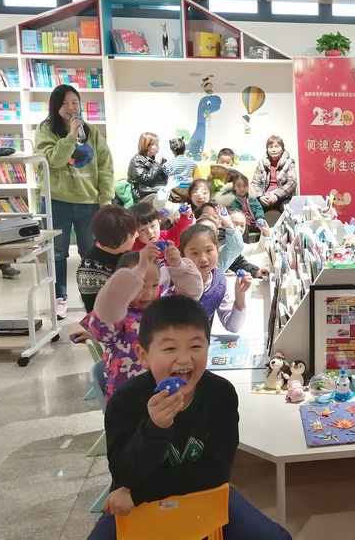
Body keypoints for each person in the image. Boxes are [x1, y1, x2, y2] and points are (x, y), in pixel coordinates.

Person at [87, 295, 291, 540]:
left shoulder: (220, 394)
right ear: (144, 355)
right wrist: (155, 428)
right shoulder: (125, 401)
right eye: (169, 348)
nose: (184, 359)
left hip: (194, 494)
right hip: (134, 503)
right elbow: (126, 476)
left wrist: (141, 494)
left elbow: (217, 472)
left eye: (195, 346)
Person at [82, 243, 203, 400]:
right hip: (131, 400)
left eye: (155, 285)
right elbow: (106, 309)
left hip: (166, 393)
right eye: (140, 285)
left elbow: (192, 293)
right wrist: (138, 270)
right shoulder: (117, 317)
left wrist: (178, 266)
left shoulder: (163, 307)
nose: (149, 293)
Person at [36, 84, 114, 321]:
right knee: (57, 253)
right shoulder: (46, 130)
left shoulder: (91, 131)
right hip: (56, 201)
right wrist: (70, 135)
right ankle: (60, 297)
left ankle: (90, 297)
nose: (71, 107)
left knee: (90, 252)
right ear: (55, 106)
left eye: (75, 102)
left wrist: (106, 199)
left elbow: (105, 166)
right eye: (65, 103)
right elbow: (54, 161)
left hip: (88, 202)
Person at [179, 224, 251, 332]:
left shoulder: (218, 283)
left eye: (209, 250)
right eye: (195, 253)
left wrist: (240, 296)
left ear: (217, 251)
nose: (203, 259)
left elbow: (233, 326)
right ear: (182, 255)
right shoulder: (174, 280)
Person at [76, 205, 138, 313]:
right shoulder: (90, 271)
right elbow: (96, 314)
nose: (137, 235)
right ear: (117, 239)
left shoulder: (123, 251)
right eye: (132, 235)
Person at [251, 135, 297, 213]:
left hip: (283, 197)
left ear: (282, 148)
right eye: (270, 147)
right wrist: (260, 196)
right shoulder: (261, 163)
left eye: (277, 146)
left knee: (289, 212)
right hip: (265, 197)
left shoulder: (289, 162)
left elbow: (292, 182)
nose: (273, 150)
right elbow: (254, 183)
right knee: (251, 210)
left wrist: (277, 195)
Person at [214, 172, 265, 236]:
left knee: (263, 227)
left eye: (245, 186)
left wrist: (259, 217)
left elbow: (258, 208)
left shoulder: (251, 197)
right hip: (240, 224)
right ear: (234, 187)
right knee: (244, 229)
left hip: (253, 222)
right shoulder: (228, 199)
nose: (242, 189)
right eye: (238, 186)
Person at [127, 132, 167, 202]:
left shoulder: (156, 158)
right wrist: (157, 163)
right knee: (161, 201)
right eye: (156, 145)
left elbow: (165, 176)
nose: (159, 147)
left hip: (158, 190)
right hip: (144, 194)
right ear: (147, 146)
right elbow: (147, 181)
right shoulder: (137, 160)